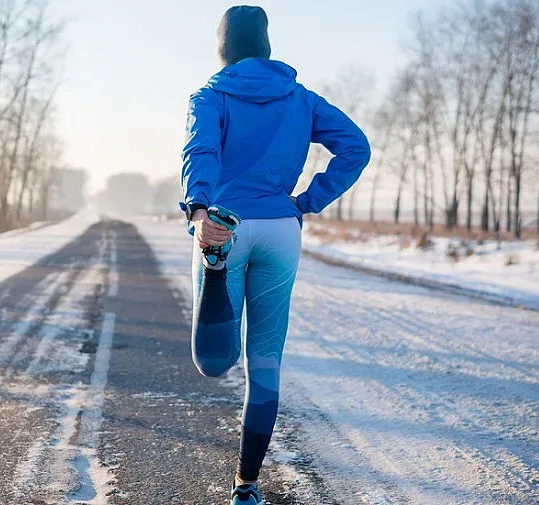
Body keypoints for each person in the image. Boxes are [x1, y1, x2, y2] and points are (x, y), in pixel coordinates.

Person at [180, 5, 371, 504]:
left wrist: (199, 210)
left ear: (224, 47)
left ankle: (216, 272)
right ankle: (247, 486)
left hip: (224, 226)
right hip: (282, 231)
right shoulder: (302, 99)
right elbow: (356, 147)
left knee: (215, 362)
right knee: (266, 363)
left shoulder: (210, 96)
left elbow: (199, 152)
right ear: (265, 46)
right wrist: (306, 201)